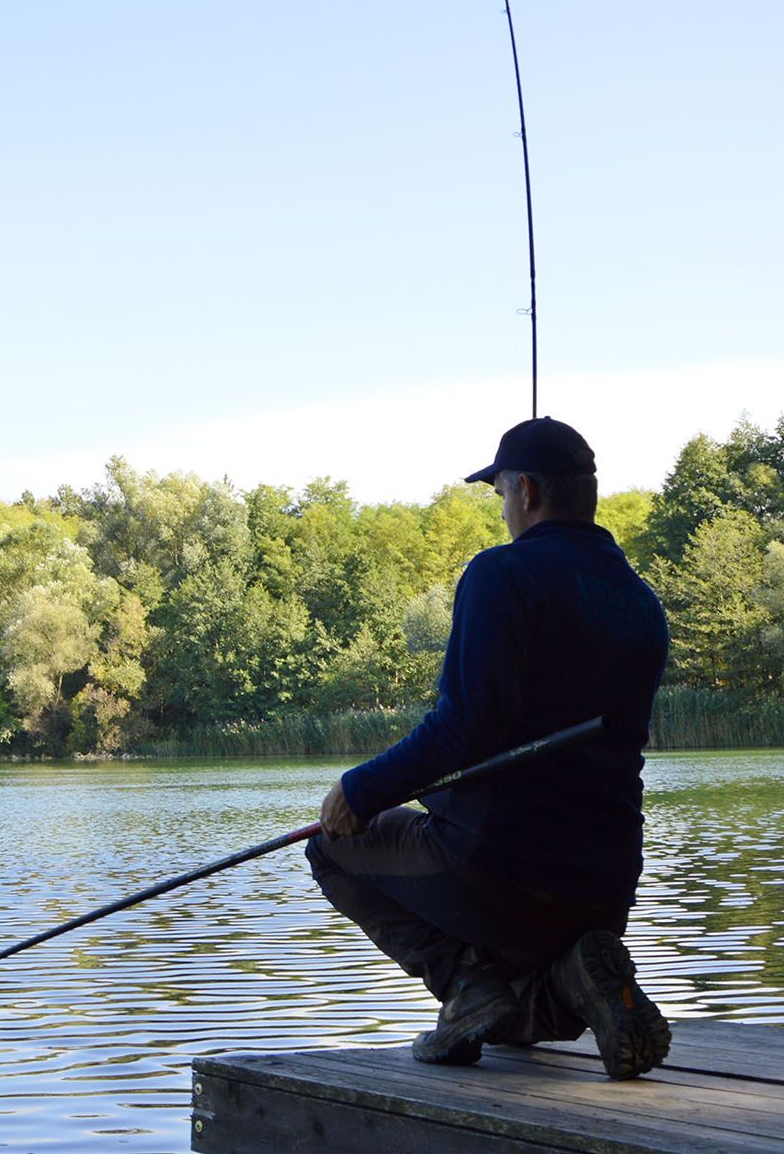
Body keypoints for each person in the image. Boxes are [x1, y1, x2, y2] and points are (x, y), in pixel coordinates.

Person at [307, 416, 671, 1079]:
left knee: (329, 850)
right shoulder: (640, 601)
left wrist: (359, 790)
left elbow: (465, 728)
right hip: (607, 885)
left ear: (526, 490)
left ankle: (467, 986)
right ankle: (567, 983)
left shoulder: (500, 575)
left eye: (501, 492)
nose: (503, 510)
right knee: (541, 1012)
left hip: (502, 869)